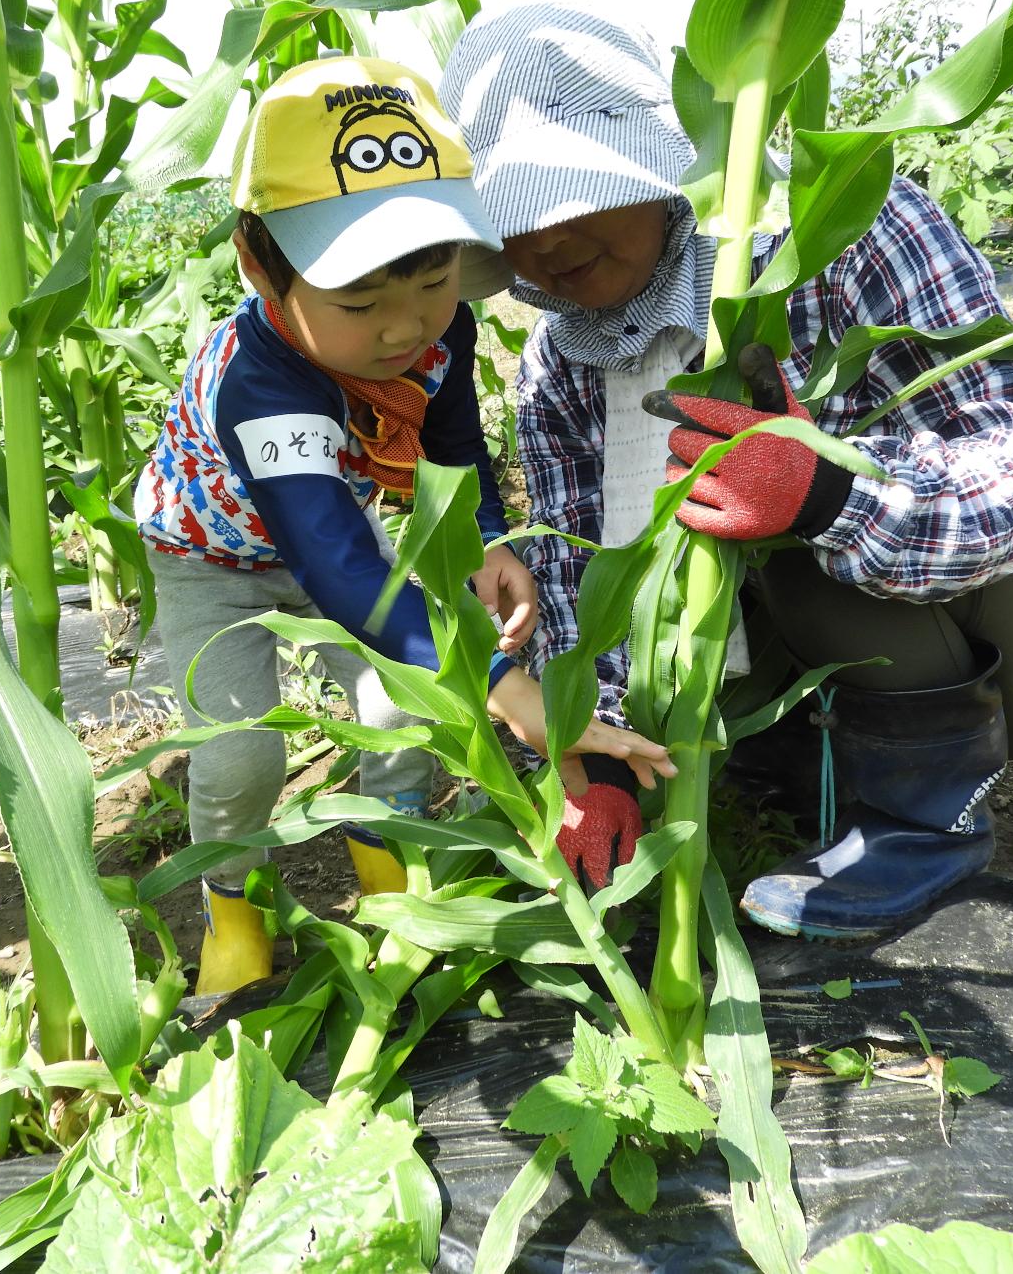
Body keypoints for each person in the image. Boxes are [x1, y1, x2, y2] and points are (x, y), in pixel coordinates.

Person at [438, 0, 1013, 941]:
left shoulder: (851, 227)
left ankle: (923, 825)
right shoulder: (560, 364)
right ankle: (807, 760)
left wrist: (829, 489)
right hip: (815, 672)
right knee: (701, 550)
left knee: (771, 508)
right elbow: (588, 577)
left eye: (569, 195)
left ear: (663, 163)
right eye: (509, 218)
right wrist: (606, 766)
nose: (543, 242)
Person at [135, 56, 676, 994]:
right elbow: (338, 567)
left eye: (433, 283)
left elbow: (453, 437)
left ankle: (389, 851)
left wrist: (490, 539)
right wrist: (505, 685)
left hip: (334, 524)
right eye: (360, 304)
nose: (405, 329)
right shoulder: (264, 386)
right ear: (261, 266)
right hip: (213, 555)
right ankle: (233, 900)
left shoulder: (441, 327)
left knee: (402, 711)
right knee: (239, 756)